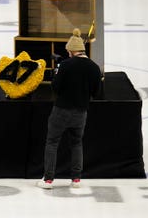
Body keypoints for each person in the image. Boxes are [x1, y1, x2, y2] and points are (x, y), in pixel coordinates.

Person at [37, 28, 103, 189]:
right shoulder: (94, 68)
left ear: (72, 51)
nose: (67, 54)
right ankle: (76, 179)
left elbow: (56, 88)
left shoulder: (65, 65)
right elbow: (97, 93)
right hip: (81, 112)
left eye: (68, 52)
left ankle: (48, 180)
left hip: (61, 111)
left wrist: (56, 74)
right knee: (77, 143)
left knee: (52, 142)